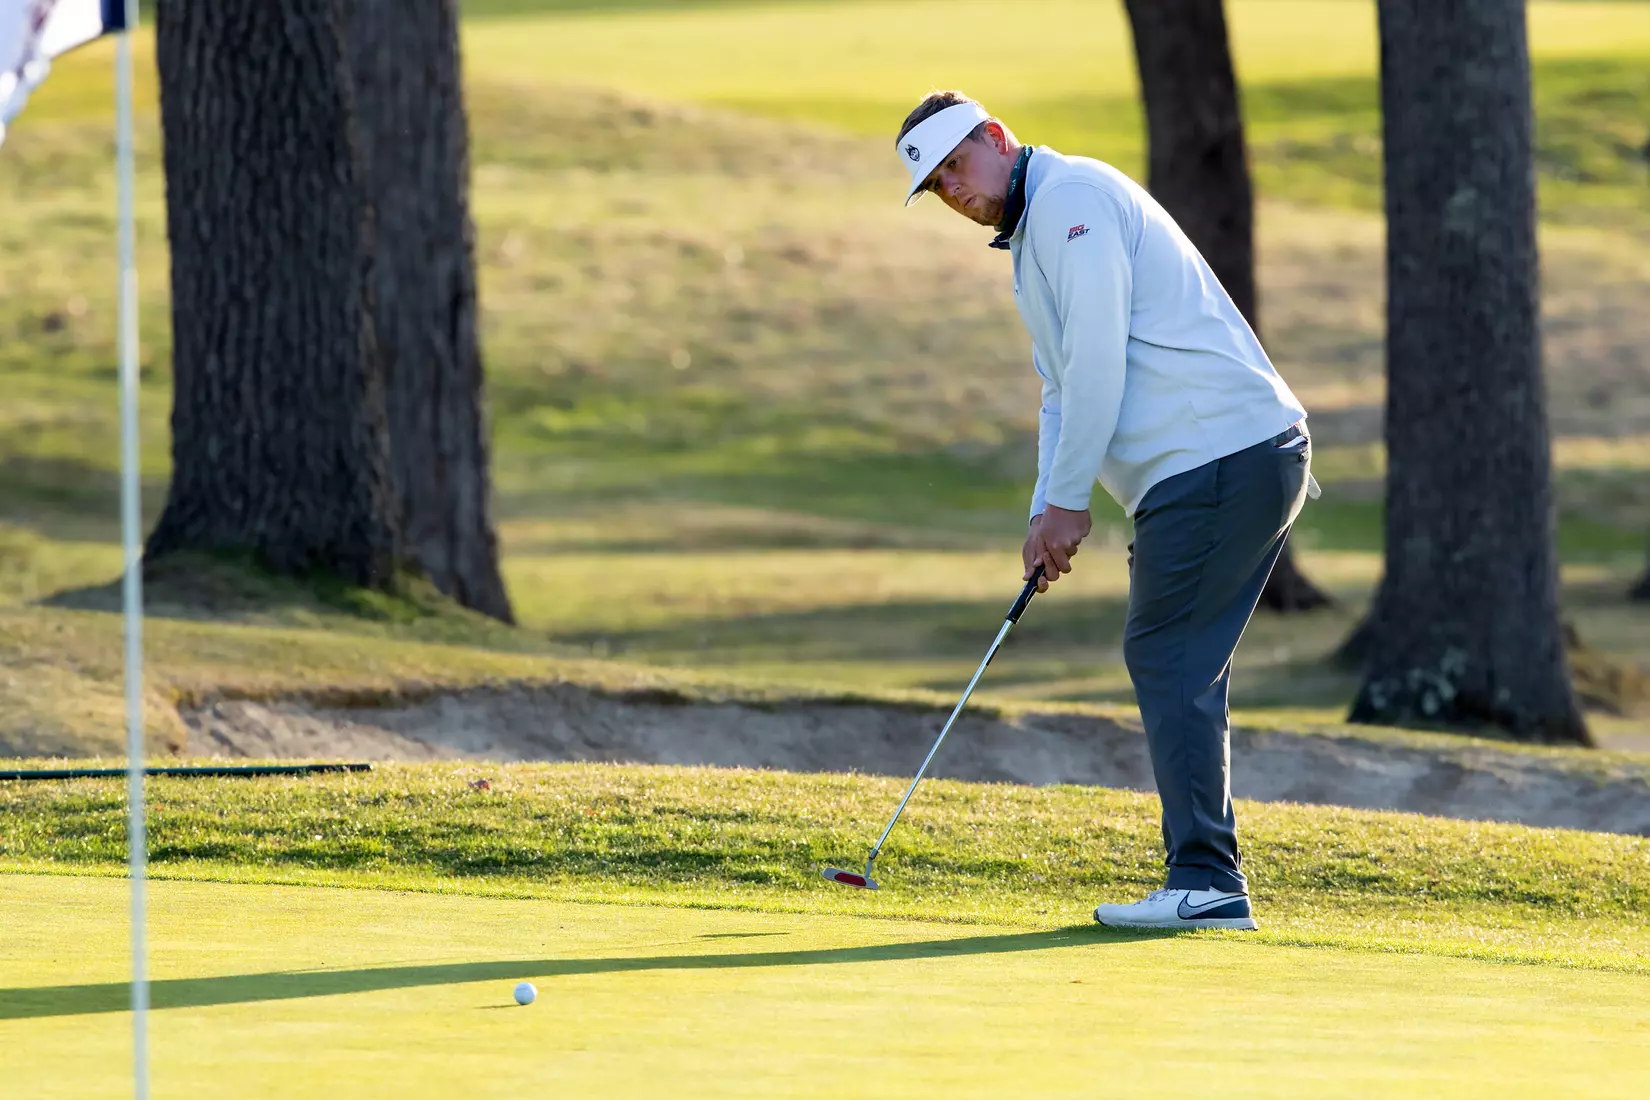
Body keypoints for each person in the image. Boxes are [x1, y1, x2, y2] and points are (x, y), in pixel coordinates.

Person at [896, 90, 1318, 931]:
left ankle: (1207, 880)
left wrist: (1068, 505)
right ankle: (1206, 877)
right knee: (1177, 656)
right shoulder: (1032, 238)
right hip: (1210, 466)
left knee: (1165, 652)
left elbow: (1097, 364)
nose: (955, 189)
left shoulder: (1072, 202)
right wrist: (1042, 512)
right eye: (938, 183)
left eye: (958, 164)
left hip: (1220, 457)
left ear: (998, 137)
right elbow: (1060, 389)